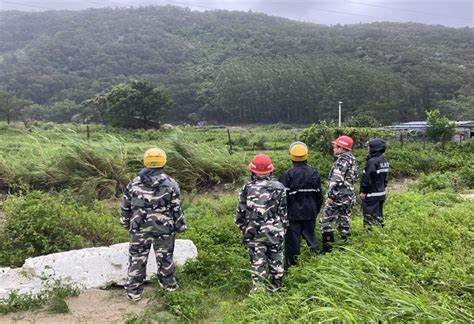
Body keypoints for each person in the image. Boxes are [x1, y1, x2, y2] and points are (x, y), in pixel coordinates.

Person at [120, 148, 186, 301]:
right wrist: (180, 225)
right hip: (164, 229)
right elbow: (176, 208)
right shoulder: (171, 184)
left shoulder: (133, 183)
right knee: (165, 258)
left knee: (137, 258)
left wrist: (125, 222)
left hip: (138, 228)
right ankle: (169, 289)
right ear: (164, 161)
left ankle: (133, 292)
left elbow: (125, 206)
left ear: (145, 161)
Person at [235, 153, 288, 293]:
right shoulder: (280, 187)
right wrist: (284, 227)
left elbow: (241, 211)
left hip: (254, 232)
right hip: (275, 231)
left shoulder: (246, 188)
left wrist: (242, 227)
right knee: (276, 260)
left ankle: (259, 293)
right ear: (270, 170)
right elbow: (283, 210)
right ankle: (277, 288)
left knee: (257, 262)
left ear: (252, 170)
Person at [279, 142, 323, 266]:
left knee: (292, 244)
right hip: (310, 213)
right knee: (311, 239)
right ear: (306, 155)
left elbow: (283, 199)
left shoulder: (287, 175)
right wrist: (315, 210)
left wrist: (283, 215)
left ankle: (292, 266)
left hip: (292, 216)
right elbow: (319, 196)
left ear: (291, 156)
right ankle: (317, 263)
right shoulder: (314, 173)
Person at [320, 135, 358, 254]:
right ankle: (345, 248)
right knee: (344, 221)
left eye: (335, 146)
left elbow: (336, 180)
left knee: (325, 221)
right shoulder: (352, 159)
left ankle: (328, 249)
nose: (333, 148)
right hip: (348, 197)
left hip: (338, 197)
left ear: (341, 148)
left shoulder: (341, 160)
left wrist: (330, 196)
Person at [360, 138, 389, 227]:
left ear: (374, 148)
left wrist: (363, 191)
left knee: (369, 218)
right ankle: (379, 234)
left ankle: (370, 235)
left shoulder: (372, 162)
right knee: (379, 216)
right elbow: (385, 178)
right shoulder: (384, 160)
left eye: (369, 146)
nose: (368, 148)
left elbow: (368, 178)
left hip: (371, 195)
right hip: (381, 193)